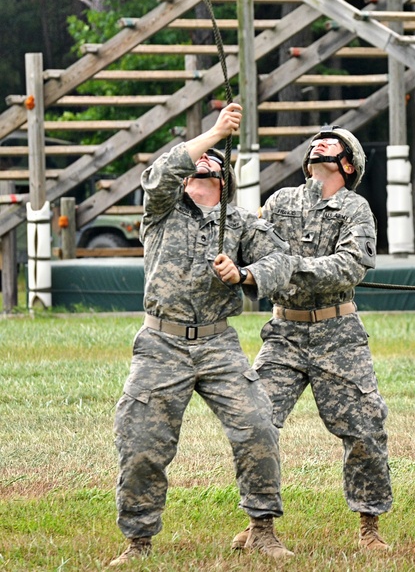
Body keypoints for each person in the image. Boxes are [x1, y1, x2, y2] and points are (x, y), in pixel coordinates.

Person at [110, 103, 296, 565]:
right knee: (141, 442)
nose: (199, 177)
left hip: (217, 343)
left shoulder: (240, 222)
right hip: (161, 343)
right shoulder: (161, 211)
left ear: (223, 185)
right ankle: (138, 541)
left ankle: (262, 530)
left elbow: (281, 261)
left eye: (210, 174)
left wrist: (244, 274)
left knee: (257, 426)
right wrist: (214, 133)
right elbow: (157, 174)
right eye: (193, 172)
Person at [218, 126, 393, 552]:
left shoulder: (356, 209)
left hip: (338, 334)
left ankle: (369, 527)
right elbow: (252, 247)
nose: (319, 143)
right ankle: (260, 526)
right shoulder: (280, 202)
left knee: (365, 426)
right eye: (316, 142)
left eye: (331, 143)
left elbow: (350, 264)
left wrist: (286, 266)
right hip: (284, 333)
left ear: (347, 164)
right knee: (255, 422)